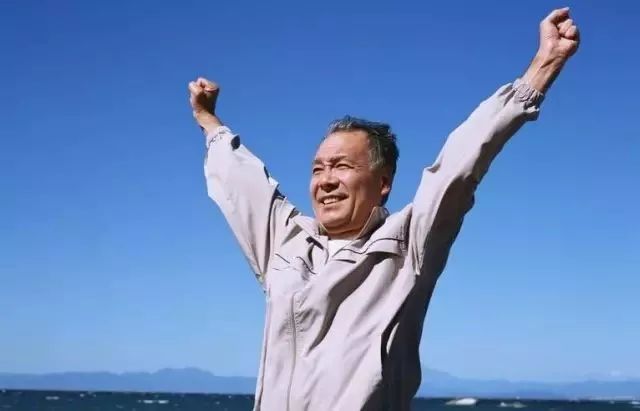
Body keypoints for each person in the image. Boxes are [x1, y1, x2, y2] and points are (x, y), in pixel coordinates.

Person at [188, 7, 579, 411]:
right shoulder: (285, 244)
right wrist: (209, 120)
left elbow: (459, 165)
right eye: (318, 169)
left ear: (383, 182)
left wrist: (542, 67)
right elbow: (242, 185)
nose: (325, 180)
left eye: (342, 166)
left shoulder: (408, 246)